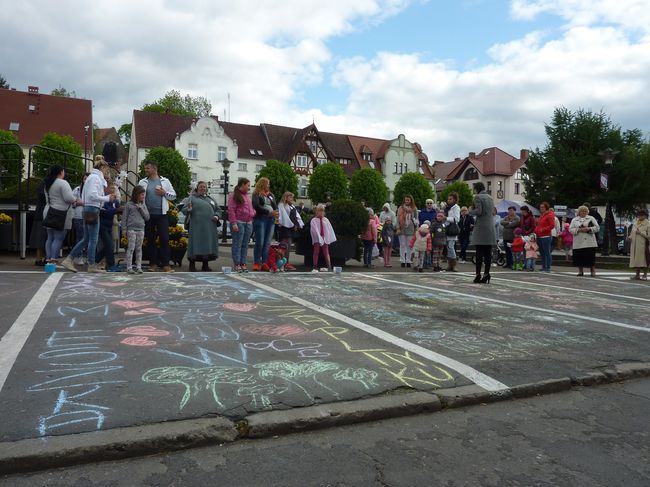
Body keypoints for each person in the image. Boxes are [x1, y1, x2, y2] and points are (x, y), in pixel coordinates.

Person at [62, 157, 117, 273]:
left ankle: (69, 259)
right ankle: (91, 264)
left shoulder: (92, 178)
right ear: (102, 167)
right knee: (93, 239)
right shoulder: (95, 178)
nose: (107, 172)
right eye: (106, 169)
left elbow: (89, 196)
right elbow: (93, 196)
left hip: (89, 208)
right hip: (92, 209)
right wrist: (107, 198)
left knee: (87, 238)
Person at [139, 160, 177, 272]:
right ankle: (153, 264)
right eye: (145, 168)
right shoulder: (142, 182)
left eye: (148, 168)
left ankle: (166, 264)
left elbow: (173, 196)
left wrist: (164, 193)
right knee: (150, 240)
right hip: (148, 215)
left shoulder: (165, 181)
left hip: (162, 214)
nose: (146, 170)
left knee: (164, 239)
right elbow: (137, 195)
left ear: (155, 169)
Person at [42, 165, 77, 264]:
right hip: (60, 213)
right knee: (58, 238)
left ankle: (48, 259)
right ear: (61, 172)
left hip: (48, 211)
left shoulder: (47, 183)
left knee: (50, 237)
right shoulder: (62, 183)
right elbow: (69, 198)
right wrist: (77, 200)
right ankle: (53, 259)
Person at [183, 181, 220, 272]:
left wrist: (216, 216)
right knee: (194, 244)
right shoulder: (191, 198)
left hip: (209, 227)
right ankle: (192, 265)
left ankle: (205, 265)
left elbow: (218, 210)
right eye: (201, 187)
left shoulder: (211, 199)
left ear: (207, 189)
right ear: (197, 188)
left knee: (207, 245)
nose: (203, 188)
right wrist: (188, 209)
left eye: (204, 187)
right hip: (196, 226)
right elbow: (184, 210)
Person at [227, 178, 255, 273]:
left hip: (248, 222)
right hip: (239, 222)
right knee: (237, 244)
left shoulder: (247, 196)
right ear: (242, 185)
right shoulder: (234, 195)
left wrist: (253, 213)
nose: (249, 187)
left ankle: (243, 263)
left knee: (245, 244)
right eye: (248, 185)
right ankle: (237, 263)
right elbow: (231, 210)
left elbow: (251, 208)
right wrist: (233, 223)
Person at [469, 182, 495, 283]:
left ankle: (478, 275)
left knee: (479, 252)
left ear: (476, 188)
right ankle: (486, 274)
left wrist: (470, 210)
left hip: (481, 227)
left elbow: (479, 212)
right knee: (488, 253)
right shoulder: (490, 198)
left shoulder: (477, 197)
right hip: (490, 227)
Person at [121, 186, 150, 274]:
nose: (143, 196)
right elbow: (124, 218)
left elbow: (147, 217)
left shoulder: (143, 205)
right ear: (136, 194)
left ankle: (138, 267)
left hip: (141, 229)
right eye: (141, 194)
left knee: (139, 248)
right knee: (131, 248)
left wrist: (141, 209)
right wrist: (124, 229)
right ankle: (129, 267)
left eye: (143, 194)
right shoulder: (129, 204)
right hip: (131, 229)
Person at [252, 177, 278, 271]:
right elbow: (256, 206)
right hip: (261, 219)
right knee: (260, 242)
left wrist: (276, 213)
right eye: (268, 184)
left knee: (267, 243)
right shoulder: (256, 194)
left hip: (271, 220)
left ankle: (264, 262)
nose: (269, 185)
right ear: (263, 184)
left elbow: (275, 206)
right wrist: (268, 212)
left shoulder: (271, 195)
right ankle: (256, 262)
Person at [95, 183, 121, 271]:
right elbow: (104, 212)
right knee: (109, 244)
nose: (113, 190)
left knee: (109, 245)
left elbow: (118, 210)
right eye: (110, 188)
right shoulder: (103, 200)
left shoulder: (115, 201)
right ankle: (110, 264)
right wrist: (116, 210)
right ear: (105, 189)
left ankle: (95, 260)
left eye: (114, 188)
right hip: (102, 225)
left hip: (110, 225)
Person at [569, 205, 600, 277]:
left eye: (585, 211)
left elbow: (597, 227)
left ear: (587, 212)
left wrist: (589, 229)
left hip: (589, 242)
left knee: (590, 257)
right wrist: (579, 230)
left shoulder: (591, 218)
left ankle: (592, 271)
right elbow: (570, 229)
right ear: (579, 212)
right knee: (579, 257)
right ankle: (580, 271)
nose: (583, 212)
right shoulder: (574, 220)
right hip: (578, 242)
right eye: (582, 211)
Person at [277, 191, 303, 271]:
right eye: (290, 197)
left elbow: (297, 217)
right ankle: (283, 263)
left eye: (292, 197)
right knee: (284, 246)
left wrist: (298, 225)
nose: (292, 199)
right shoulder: (282, 205)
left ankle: (286, 263)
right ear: (286, 197)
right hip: (284, 228)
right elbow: (284, 218)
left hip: (291, 229)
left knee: (288, 246)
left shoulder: (292, 206)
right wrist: (292, 225)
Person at [310, 204, 336, 272]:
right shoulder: (314, 220)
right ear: (316, 212)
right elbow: (313, 230)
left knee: (326, 252)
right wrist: (318, 237)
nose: (321, 213)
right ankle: (315, 266)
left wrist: (327, 237)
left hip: (324, 238)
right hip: (317, 238)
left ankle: (329, 265)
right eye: (319, 211)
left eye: (322, 211)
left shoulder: (326, 220)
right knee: (316, 251)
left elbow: (329, 229)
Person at [71, 173, 89, 265]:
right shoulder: (77, 189)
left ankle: (86, 256)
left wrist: (82, 202)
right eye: (84, 178)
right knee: (80, 237)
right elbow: (73, 202)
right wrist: (81, 203)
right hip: (78, 216)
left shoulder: (91, 189)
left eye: (87, 179)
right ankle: (79, 256)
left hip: (89, 215)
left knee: (88, 237)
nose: (85, 180)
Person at [396, 194, 419, 268]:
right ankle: (402, 260)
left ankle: (408, 260)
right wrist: (397, 227)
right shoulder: (400, 208)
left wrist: (416, 228)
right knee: (402, 245)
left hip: (410, 228)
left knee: (409, 246)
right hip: (402, 227)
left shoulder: (414, 208)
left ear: (411, 200)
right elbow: (397, 218)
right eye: (406, 200)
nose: (407, 201)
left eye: (408, 200)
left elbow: (416, 219)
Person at [627, 208, 649, 280]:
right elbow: (632, 233)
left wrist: (641, 233)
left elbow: (649, 236)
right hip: (635, 245)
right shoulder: (635, 223)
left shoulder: (648, 224)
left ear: (645, 216)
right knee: (637, 260)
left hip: (643, 245)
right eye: (639, 215)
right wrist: (629, 237)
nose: (640, 217)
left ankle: (645, 275)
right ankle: (637, 275)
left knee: (645, 260)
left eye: (642, 215)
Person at [29, 180, 47, 266]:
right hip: (43, 214)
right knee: (42, 237)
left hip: (41, 213)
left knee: (42, 238)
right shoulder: (46, 185)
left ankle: (40, 259)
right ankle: (40, 258)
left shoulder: (43, 184)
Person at [535, 202, 556, 273]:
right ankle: (544, 267)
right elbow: (539, 225)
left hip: (546, 236)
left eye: (543, 207)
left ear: (546, 207)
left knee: (547, 252)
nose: (541, 208)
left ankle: (548, 267)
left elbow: (552, 225)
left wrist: (542, 230)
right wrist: (536, 230)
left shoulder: (550, 215)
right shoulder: (542, 215)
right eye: (540, 207)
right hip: (539, 236)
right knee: (542, 253)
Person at [444, 192, 461, 272]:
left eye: (450, 199)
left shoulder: (456, 207)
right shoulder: (448, 208)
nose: (448, 200)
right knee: (448, 247)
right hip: (447, 228)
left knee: (451, 247)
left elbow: (457, 219)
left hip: (452, 229)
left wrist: (446, 218)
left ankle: (453, 264)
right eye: (448, 199)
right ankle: (450, 264)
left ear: (454, 199)